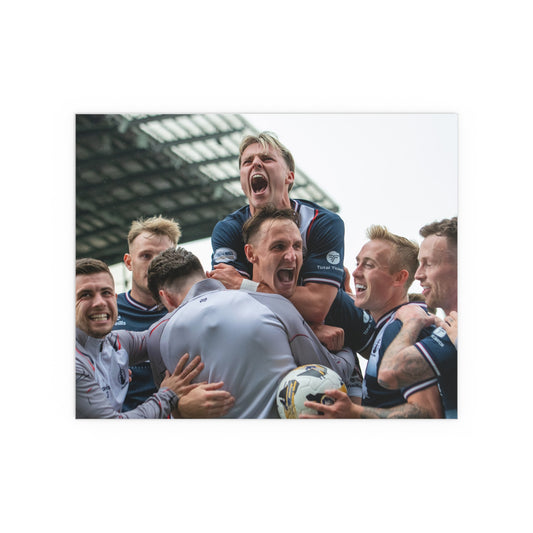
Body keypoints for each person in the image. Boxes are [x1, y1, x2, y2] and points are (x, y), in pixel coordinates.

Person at [146, 207, 359, 418]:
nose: (292, 256)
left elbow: (128, 348)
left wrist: (176, 405)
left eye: (297, 246)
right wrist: (348, 347)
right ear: (250, 253)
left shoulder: (158, 334)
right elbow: (332, 372)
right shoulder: (276, 306)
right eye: (278, 247)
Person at [209, 132, 372, 354]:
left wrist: (244, 285)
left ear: (289, 177)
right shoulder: (229, 229)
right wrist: (307, 329)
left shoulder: (321, 222)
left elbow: (316, 307)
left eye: (266, 159)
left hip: (356, 332)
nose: (255, 163)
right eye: (247, 162)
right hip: (294, 335)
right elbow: (232, 305)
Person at [301, 225, 444, 419]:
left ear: (399, 278)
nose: (356, 272)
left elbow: (429, 413)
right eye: (358, 263)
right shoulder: (387, 328)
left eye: (368, 265)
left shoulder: (405, 327)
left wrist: (354, 413)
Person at [75, 258, 234, 419]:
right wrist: (169, 395)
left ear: (115, 298)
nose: (99, 302)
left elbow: (160, 332)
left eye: (106, 293)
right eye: (85, 295)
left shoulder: (117, 342)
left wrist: (223, 298)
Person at [378, 217, 457, 418]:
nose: (418, 275)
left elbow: (389, 372)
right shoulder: (450, 328)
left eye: (428, 264)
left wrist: (412, 321)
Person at [113, 215, 181, 411]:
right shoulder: (107, 312)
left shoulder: (189, 311)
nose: (154, 264)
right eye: (145, 256)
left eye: (163, 256)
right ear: (128, 262)